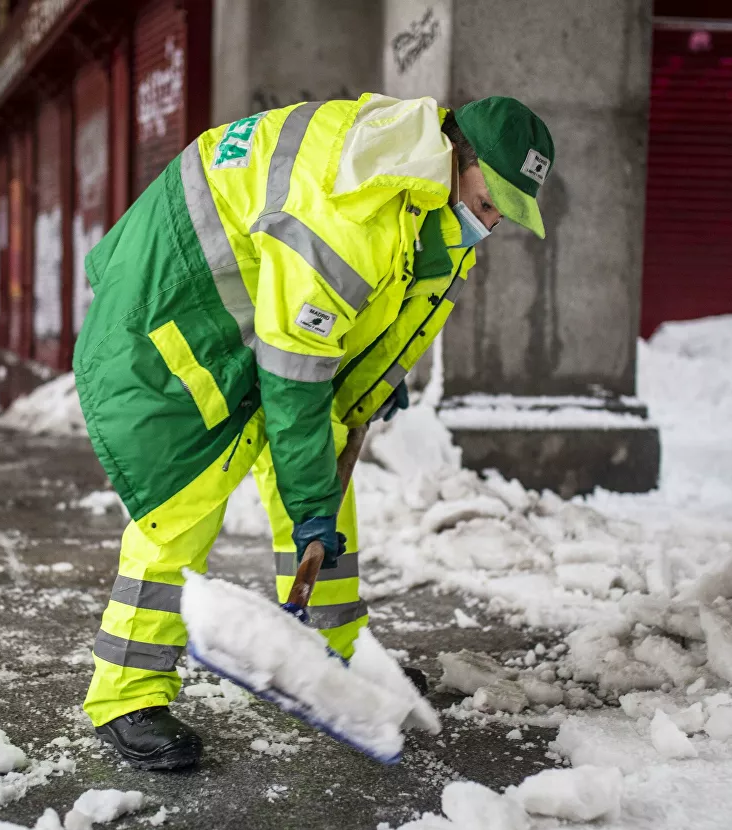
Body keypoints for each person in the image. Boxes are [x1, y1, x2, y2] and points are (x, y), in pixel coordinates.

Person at [75, 93, 553, 769]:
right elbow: (295, 380)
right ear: (454, 157)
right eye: (489, 198)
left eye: (506, 207)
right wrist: (308, 510)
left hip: (254, 312)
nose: (493, 219)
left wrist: (377, 374)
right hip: (170, 314)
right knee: (184, 498)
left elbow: (375, 304)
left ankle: (338, 651)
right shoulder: (352, 205)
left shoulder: (421, 194)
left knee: (322, 463)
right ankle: (126, 693)